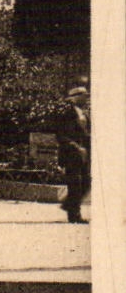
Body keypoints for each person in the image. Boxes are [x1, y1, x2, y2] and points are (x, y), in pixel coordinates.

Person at [54, 85, 90, 224]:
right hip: (71, 153)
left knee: (86, 182)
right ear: (75, 98)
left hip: (84, 153)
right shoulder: (66, 113)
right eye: (84, 96)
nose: (87, 99)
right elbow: (62, 135)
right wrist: (76, 147)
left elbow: (86, 133)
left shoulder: (84, 113)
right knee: (75, 183)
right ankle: (74, 215)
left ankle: (68, 205)